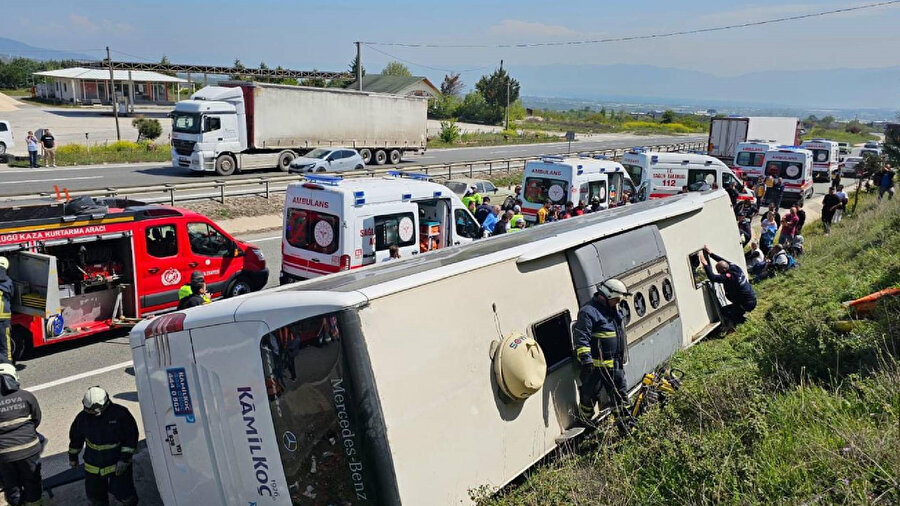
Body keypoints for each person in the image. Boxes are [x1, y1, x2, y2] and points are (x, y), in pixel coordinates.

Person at [573, 278, 633, 433]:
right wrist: (587, 363)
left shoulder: (613, 311)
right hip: (595, 370)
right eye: (616, 299)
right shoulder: (588, 312)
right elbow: (581, 339)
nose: (618, 303)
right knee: (588, 399)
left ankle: (626, 429)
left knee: (621, 399)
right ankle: (585, 430)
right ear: (606, 296)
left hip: (615, 367)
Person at [69, 387, 139, 506]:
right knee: (96, 497)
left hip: (117, 463)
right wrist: (73, 457)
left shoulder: (120, 414)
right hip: (93, 465)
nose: (94, 413)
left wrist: (125, 459)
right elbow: (76, 438)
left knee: (126, 495)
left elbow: (131, 437)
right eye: (90, 410)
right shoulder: (82, 418)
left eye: (96, 410)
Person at [0, 363, 43, 506]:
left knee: (11, 485)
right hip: (29, 448)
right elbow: (36, 419)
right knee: (33, 481)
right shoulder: (26, 396)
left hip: (4, 454)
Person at [699, 246, 757, 331]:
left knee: (725, 311)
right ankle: (740, 315)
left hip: (746, 304)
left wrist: (705, 265)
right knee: (733, 308)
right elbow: (722, 261)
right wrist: (710, 254)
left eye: (718, 271)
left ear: (723, 270)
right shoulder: (734, 267)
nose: (718, 273)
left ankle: (739, 322)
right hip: (751, 300)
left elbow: (713, 277)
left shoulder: (729, 277)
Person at [0, 257, 13, 365]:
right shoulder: (8, 281)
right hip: (4, 318)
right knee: (5, 343)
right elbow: (11, 295)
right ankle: (7, 365)